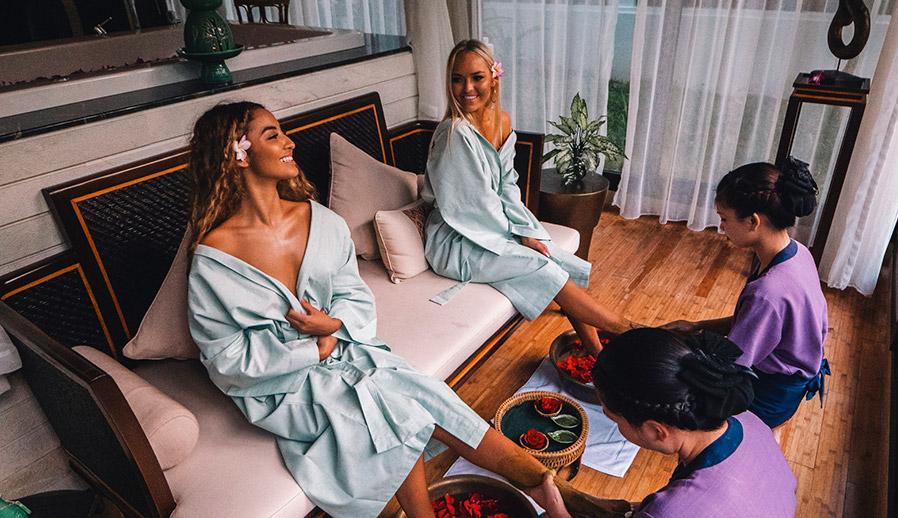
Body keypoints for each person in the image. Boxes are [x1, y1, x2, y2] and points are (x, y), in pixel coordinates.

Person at [184, 102, 612, 517]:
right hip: (281, 384)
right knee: (399, 412)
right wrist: (313, 350)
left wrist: (334, 325)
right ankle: (552, 491)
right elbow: (225, 359)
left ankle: (551, 489)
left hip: (346, 346)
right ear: (237, 154)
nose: (289, 142)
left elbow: (353, 293)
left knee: (430, 395)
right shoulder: (215, 260)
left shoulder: (319, 221)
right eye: (272, 135)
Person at [422, 39, 625, 355]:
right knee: (541, 264)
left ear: (494, 78)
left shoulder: (501, 121)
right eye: (457, 79)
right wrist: (516, 236)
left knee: (550, 253)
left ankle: (598, 354)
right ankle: (627, 330)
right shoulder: (455, 134)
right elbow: (472, 206)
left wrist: (526, 231)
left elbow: (507, 186)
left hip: (489, 226)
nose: (467, 88)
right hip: (458, 239)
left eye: (477, 77)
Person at [530, 328, 797, 517]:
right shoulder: (748, 421)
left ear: (656, 430)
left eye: (615, 419)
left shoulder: (670, 510)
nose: (616, 425)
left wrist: (555, 508)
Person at [664, 158, 830, 431]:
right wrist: (696, 326)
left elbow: (731, 364)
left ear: (753, 221)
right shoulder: (797, 252)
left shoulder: (768, 292)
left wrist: (674, 357)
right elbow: (756, 324)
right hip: (791, 380)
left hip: (769, 394)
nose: (722, 227)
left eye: (724, 219)